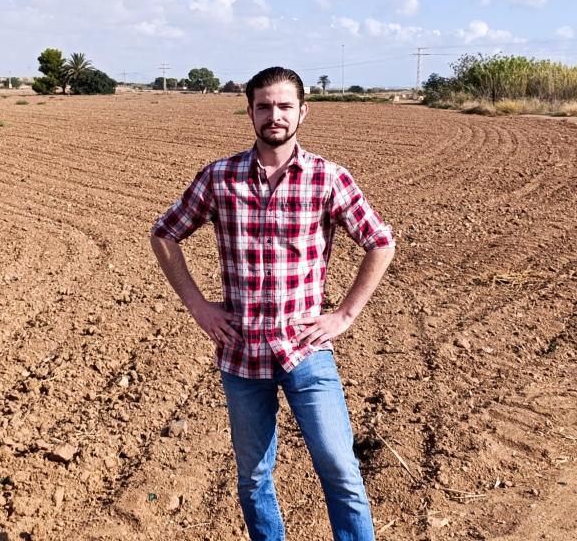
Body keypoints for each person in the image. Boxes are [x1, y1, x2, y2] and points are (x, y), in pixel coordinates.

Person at [149, 66, 395, 541]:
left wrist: (345, 315)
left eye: (284, 106)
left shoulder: (328, 177)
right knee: (255, 477)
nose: (274, 115)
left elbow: (379, 242)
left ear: (303, 111)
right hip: (240, 356)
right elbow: (164, 233)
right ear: (250, 112)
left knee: (340, 469)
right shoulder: (219, 177)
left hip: (305, 350)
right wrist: (199, 307)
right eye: (264, 106)